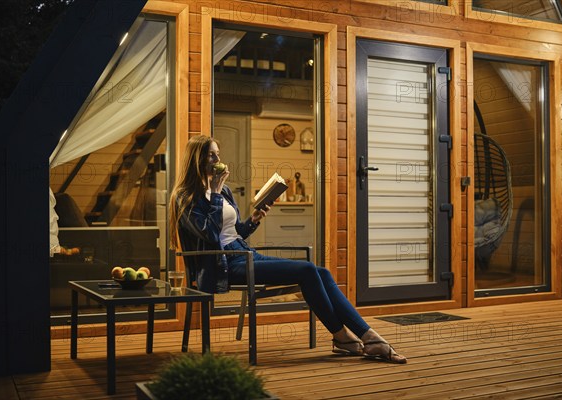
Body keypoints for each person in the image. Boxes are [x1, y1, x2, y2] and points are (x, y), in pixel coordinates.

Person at [169, 135, 406, 364]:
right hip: (221, 264)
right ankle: (355, 337)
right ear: (197, 160)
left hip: (243, 253)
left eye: (217, 154)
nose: (217, 160)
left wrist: (253, 219)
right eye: (210, 156)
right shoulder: (185, 196)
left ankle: (356, 336)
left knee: (320, 272)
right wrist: (216, 194)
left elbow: (234, 232)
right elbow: (210, 235)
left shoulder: (225, 191)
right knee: (306, 270)